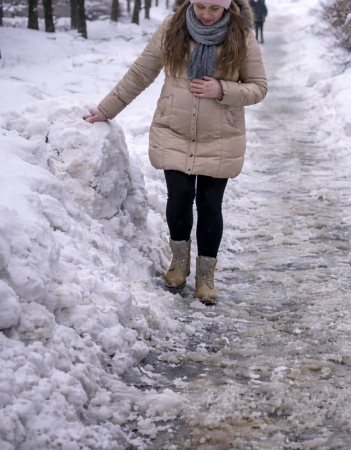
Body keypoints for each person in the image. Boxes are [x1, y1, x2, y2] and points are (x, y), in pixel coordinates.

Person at [84, 0, 267, 304]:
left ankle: (206, 278)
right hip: (175, 133)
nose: (207, 15)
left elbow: (259, 87)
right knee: (179, 197)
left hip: (220, 138)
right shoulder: (173, 28)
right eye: (200, 7)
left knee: (210, 206)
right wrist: (106, 109)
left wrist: (223, 90)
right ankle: (179, 263)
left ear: (228, 7)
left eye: (214, 8)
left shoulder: (241, 35)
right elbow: (141, 72)